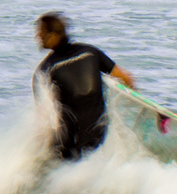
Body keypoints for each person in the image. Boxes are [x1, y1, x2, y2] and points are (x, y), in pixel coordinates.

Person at [33, 12, 136, 160]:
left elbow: (43, 121)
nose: (37, 36)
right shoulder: (90, 52)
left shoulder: (44, 70)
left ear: (53, 35)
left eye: (41, 32)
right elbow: (126, 79)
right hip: (99, 136)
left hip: (70, 146)